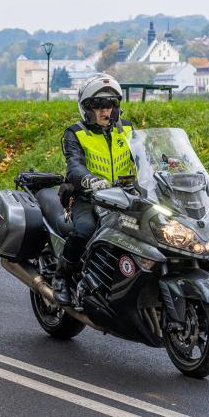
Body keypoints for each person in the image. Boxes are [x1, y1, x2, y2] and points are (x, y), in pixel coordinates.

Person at [54, 73, 136, 306]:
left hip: (124, 196)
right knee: (86, 230)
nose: (104, 110)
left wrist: (166, 169)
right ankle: (61, 277)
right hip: (88, 197)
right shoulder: (75, 133)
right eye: (97, 105)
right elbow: (74, 166)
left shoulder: (127, 129)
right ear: (86, 107)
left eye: (110, 104)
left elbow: (145, 157)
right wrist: (90, 180)